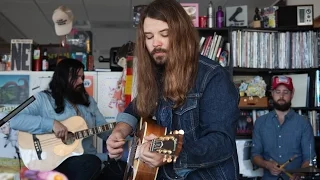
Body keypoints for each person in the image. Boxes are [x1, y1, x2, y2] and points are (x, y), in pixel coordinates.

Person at [106, 0, 241, 179]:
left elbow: (222, 142)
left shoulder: (213, 76)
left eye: (164, 34)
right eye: (149, 36)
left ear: (181, 34)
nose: (156, 43)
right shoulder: (156, 75)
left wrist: (172, 154)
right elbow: (136, 108)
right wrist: (120, 130)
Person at [9, 58, 121, 180]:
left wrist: (124, 129)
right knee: (90, 163)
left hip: (89, 161)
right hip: (57, 163)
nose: (80, 81)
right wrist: (52, 124)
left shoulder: (88, 102)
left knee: (122, 169)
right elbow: (15, 119)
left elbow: (104, 131)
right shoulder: (43, 99)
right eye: (76, 77)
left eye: (82, 77)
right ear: (62, 78)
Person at [251, 75, 316, 180]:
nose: (281, 96)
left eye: (286, 92)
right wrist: (267, 164)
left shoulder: (303, 123)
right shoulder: (260, 122)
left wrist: (301, 173)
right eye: (278, 92)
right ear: (272, 93)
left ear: (292, 94)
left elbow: (309, 158)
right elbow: (255, 156)